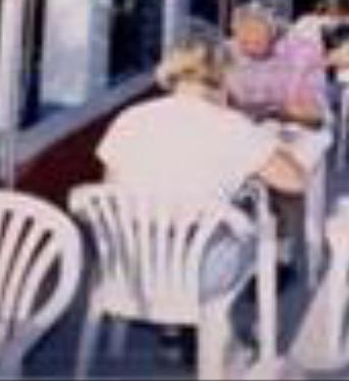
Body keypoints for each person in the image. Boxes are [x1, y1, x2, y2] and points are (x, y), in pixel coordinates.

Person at [96, 34, 306, 363]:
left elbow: (110, 188)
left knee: (189, 221)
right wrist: (271, 144)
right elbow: (295, 182)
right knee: (258, 228)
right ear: (223, 74)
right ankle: (228, 340)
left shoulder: (130, 118)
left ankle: (175, 328)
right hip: (196, 272)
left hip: (129, 263)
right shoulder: (232, 126)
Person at [226, 3, 329, 128]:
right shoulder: (228, 52)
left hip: (297, 129)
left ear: (272, 33)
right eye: (243, 42)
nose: (250, 47)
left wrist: (276, 111)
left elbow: (316, 116)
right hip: (245, 127)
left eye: (257, 41)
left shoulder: (301, 54)